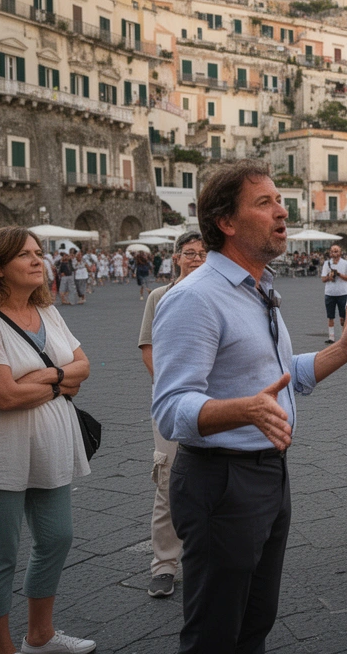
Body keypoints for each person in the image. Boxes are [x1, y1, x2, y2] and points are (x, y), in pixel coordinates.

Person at [152, 160, 347, 654]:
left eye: (278, 199)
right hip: (220, 483)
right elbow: (171, 408)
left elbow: (282, 373)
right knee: (214, 634)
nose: (281, 210)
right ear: (226, 222)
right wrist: (241, 410)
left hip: (268, 475)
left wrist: (344, 350)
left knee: (255, 622)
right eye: (263, 202)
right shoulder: (195, 298)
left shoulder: (259, 289)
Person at [0, 227, 96, 654]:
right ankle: (2, 650)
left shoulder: (47, 311)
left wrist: (46, 375)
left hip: (49, 452)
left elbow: (83, 366)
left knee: (57, 538)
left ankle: (40, 636)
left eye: (38, 252)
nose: (37, 260)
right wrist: (60, 384)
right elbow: (2, 395)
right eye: (24, 255)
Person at [137, 231, 206, 599]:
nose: (196, 258)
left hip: (214, 403)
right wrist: (170, 389)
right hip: (171, 403)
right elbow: (148, 348)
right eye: (190, 253)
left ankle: (208, 557)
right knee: (168, 481)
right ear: (176, 258)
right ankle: (164, 564)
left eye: (203, 253)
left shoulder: (219, 293)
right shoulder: (159, 297)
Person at [321, 244, 347, 343]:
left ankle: (343, 337)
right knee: (330, 316)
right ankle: (331, 337)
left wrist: (339, 274)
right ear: (330, 253)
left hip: (342, 293)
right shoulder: (327, 264)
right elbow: (323, 279)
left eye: (336, 251)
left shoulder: (346, 263)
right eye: (332, 251)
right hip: (329, 293)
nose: (334, 253)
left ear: (340, 253)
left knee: (343, 316)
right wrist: (329, 277)